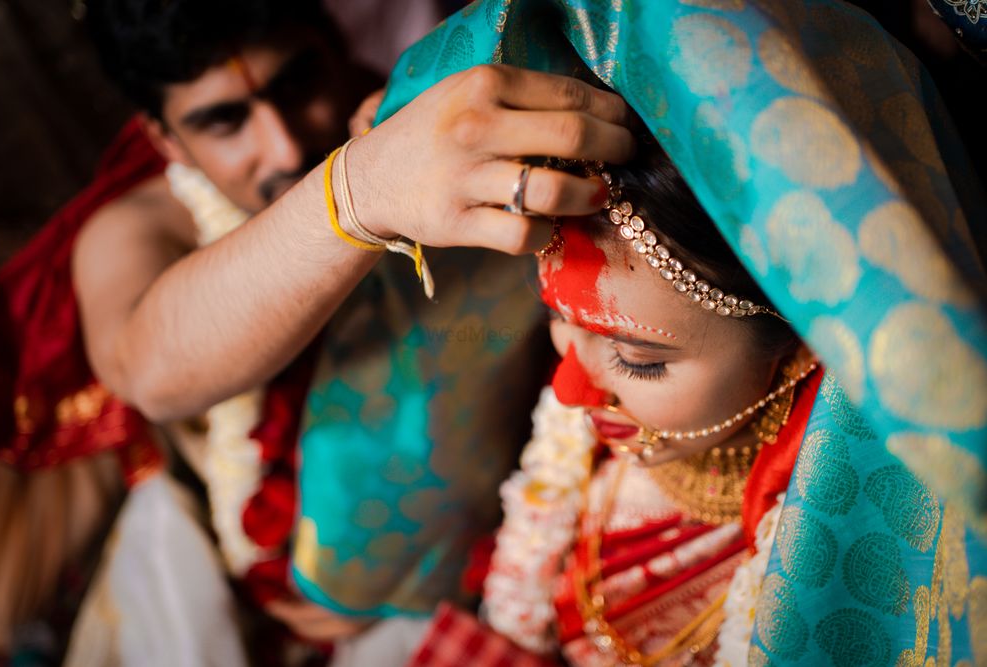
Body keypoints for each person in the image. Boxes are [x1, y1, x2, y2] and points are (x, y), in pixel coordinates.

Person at [0, 0, 635, 663]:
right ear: (164, 139)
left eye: (297, 83)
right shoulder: (141, 227)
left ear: (337, 49)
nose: (286, 145)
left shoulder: (441, 113)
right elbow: (148, 374)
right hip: (251, 596)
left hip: (510, 557)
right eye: (225, 121)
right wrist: (358, 191)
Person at [380, 0, 987, 665]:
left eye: (637, 357)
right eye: (558, 318)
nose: (571, 387)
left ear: (799, 348)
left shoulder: (841, 553)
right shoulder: (578, 449)